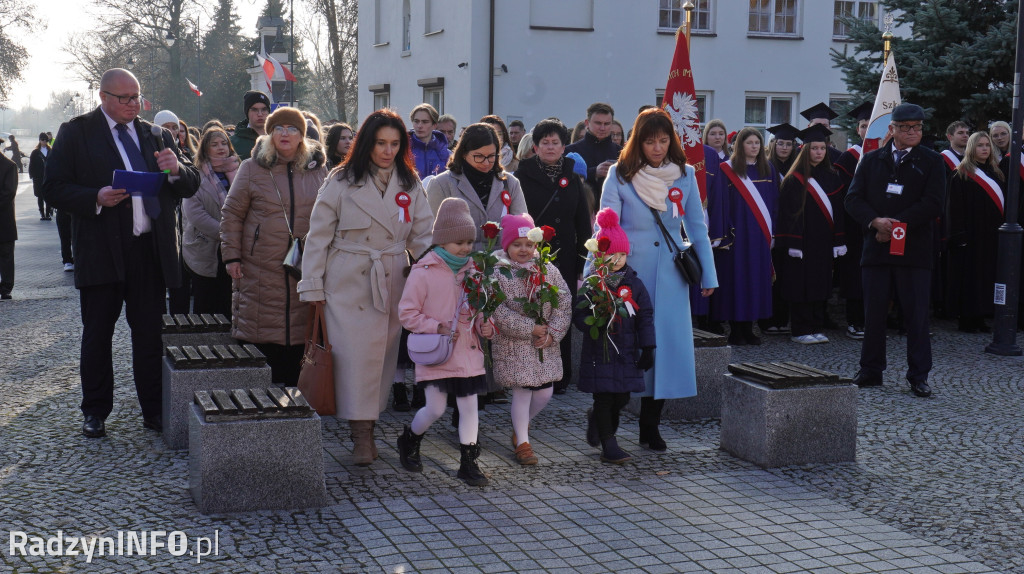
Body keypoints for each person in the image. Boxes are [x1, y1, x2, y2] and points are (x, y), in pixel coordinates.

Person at [42, 68, 201, 438]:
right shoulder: (77, 132)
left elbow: (190, 184)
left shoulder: (155, 134)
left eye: (137, 98)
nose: (133, 105)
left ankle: (154, 410)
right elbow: (53, 186)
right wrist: (94, 197)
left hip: (149, 252)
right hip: (102, 251)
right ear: (104, 97)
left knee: (149, 337)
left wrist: (177, 169)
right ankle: (95, 411)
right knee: (97, 335)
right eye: (124, 99)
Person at [297, 109, 434, 466]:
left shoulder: (410, 182)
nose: (387, 151)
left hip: (392, 279)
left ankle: (368, 427)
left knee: (382, 361)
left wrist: (438, 276)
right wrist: (312, 286)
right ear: (366, 143)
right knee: (353, 360)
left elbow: (423, 237)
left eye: (394, 144)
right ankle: (361, 434)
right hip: (347, 280)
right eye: (380, 143)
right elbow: (318, 236)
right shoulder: (341, 180)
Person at [599, 107, 717, 451]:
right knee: (625, 349)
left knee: (665, 351)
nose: (657, 147)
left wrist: (708, 273)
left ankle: (651, 426)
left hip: (671, 275)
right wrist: (602, 273)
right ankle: (609, 420)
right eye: (650, 141)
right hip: (628, 272)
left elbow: (697, 225)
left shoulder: (684, 174)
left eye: (664, 140)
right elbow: (606, 226)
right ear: (638, 140)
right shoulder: (619, 174)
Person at [845, 103, 946, 398]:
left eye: (917, 127)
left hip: (914, 252)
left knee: (916, 316)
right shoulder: (872, 159)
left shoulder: (932, 161)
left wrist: (898, 226)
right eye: (905, 127)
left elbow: (933, 202)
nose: (912, 132)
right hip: (876, 250)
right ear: (892, 130)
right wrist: (876, 222)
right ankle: (871, 370)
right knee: (873, 313)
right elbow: (853, 199)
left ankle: (918, 375)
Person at [220, 106, 327, 385]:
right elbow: (232, 213)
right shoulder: (251, 168)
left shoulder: (317, 171)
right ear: (269, 133)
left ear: (302, 135)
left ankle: (295, 400)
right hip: (260, 265)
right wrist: (232, 256)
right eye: (278, 128)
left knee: (301, 331)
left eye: (292, 128)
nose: (285, 133)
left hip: (305, 265)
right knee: (263, 330)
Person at [396, 198, 494, 485]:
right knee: (435, 409)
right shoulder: (423, 271)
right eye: (458, 242)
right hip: (438, 351)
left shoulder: (475, 271)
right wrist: (435, 326)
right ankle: (410, 439)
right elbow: (407, 313)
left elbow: (481, 308)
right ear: (442, 241)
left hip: (467, 351)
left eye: (469, 242)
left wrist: (487, 326)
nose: (465, 248)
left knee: (469, 407)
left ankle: (468, 462)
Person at [514, 118, 592, 394]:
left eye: (555, 142)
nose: (550, 147)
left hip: (566, 256)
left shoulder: (571, 175)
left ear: (563, 146)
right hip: (531, 255)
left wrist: (584, 259)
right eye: (544, 142)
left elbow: (583, 220)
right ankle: (532, 371)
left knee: (561, 312)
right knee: (532, 311)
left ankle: (560, 374)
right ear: (535, 146)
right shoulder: (522, 175)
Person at [574, 208, 656, 464]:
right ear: (600, 256)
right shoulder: (592, 283)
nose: (618, 259)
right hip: (601, 350)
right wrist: (594, 323)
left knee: (622, 396)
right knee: (604, 397)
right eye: (612, 255)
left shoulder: (634, 283)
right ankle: (609, 446)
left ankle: (599, 424)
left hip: (627, 351)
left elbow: (645, 316)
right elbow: (578, 314)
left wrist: (648, 346)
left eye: (622, 254)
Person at [490, 213, 571, 465]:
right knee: (522, 392)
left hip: (544, 345)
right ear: (507, 246)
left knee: (545, 393)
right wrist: (530, 328)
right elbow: (498, 311)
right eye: (516, 244)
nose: (523, 249)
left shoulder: (547, 268)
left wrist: (551, 334)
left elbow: (564, 303)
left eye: (528, 244)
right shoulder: (499, 272)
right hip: (514, 345)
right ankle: (523, 443)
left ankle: (520, 427)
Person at [776, 125, 846, 344]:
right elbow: (789, 214)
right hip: (803, 242)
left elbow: (838, 212)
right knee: (800, 285)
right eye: (814, 148)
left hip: (823, 242)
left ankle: (816, 326)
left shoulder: (832, 176)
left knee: (820, 284)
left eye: (822, 148)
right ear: (805, 150)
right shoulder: (794, 179)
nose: (819, 152)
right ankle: (800, 329)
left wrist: (839, 239)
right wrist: (793, 242)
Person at [712, 127, 780, 345]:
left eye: (757, 143)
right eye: (749, 143)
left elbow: (775, 204)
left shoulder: (768, 169)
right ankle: (735, 329)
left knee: (756, 281)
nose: (754, 147)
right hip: (736, 235)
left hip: (760, 235)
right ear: (740, 145)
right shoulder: (727, 170)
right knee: (736, 280)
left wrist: (774, 232)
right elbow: (721, 203)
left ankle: (750, 328)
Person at [426, 123, 528, 250]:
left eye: (491, 156)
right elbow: (429, 233)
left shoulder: (510, 183)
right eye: (479, 156)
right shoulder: (442, 184)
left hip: (503, 264)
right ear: (463, 153)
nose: (486, 163)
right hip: (457, 264)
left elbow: (523, 229)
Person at [945, 131, 1004, 333]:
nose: (985, 149)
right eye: (980, 145)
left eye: (987, 145)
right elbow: (955, 208)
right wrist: (958, 235)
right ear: (972, 148)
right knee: (968, 277)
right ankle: (967, 318)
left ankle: (980, 316)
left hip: (991, 234)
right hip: (970, 234)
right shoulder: (960, 173)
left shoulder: (997, 172)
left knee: (986, 275)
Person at [182, 127, 239, 317]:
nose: (221, 147)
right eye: (214, 144)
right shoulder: (196, 174)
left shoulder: (239, 172)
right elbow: (195, 213)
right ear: (205, 149)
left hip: (236, 249)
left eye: (224, 143)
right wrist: (226, 233)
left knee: (228, 303)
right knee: (205, 304)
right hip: (205, 248)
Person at [835, 102, 873, 340]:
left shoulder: (887, 154)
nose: (867, 130)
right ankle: (854, 321)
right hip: (854, 225)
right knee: (855, 274)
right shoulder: (849, 158)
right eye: (863, 125)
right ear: (857, 130)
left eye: (871, 125)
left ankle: (875, 321)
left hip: (880, 224)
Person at [760, 123, 801, 335]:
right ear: (773, 144)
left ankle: (783, 319)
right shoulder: (766, 167)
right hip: (772, 227)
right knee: (770, 276)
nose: (784, 148)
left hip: (792, 228)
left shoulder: (799, 167)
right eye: (781, 143)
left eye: (789, 144)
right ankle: (767, 320)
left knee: (787, 275)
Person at [566, 102, 622, 200]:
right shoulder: (571, 151)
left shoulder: (621, 152)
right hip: (581, 208)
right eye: (598, 123)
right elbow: (565, 180)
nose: (602, 128)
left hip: (613, 208)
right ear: (587, 123)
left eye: (607, 123)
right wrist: (593, 172)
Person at [408, 103, 450, 178]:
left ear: (434, 125)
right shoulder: (402, 150)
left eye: (425, 122)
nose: (419, 126)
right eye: (416, 121)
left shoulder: (447, 154)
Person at [230, 91, 271, 160]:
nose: (260, 114)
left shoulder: (278, 138)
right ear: (247, 112)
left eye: (264, 109)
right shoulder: (232, 143)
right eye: (254, 110)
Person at [0, 147, 16, 300]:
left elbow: (9, 193)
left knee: (5, 254)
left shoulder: (9, 166)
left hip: (4, 219)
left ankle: (6, 287)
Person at [28, 132, 53, 220]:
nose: (44, 141)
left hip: (49, 176)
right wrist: (32, 175)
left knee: (49, 195)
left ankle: (48, 213)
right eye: (42, 140)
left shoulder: (51, 151)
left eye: (46, 140)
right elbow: (31, 165)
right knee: (40, 196)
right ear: (39, 140)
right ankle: (42, 213)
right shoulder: (35, 152)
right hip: (38, 177)